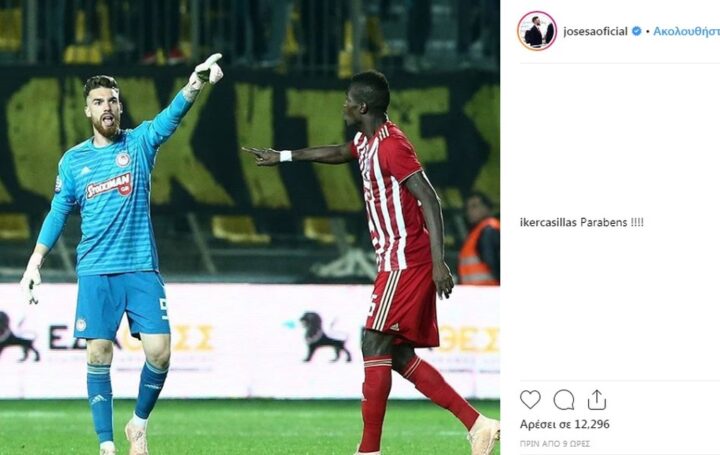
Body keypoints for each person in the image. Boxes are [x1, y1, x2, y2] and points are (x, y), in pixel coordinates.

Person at [242, 70, 500, 455]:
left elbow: (430, 199)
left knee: (372, 339)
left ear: (362, 107)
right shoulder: (366, 140)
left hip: (406, 258)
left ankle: (369, 450)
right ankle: (478, 424)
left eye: (348, 100)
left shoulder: (393, 146)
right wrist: (284, 156)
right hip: (393, 259)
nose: (343, 105)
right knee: (396, 353)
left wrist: (439, 262)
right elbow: (338, 152)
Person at [19, 54, 224, 455]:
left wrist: (195, 84)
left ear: (120, 106)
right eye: (98, 102)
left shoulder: (139, 142)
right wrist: (34, 262)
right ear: (87, 110)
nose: (106, 107)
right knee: (98, 352)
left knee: (160, 353)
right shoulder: (73, 161)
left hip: (141, 267)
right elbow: (58, 212)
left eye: (112, 100)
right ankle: (107, 445)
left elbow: (170, 118)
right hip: (96, 270)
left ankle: (138, 425)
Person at [458, 192, 500, 285]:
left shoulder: (489, 231)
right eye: (468, 208)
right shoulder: (476, 232)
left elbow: (494, 264)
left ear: (487, 208)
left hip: (489, 290)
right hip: (478, 291)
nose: (470, 211)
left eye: (474, 206)